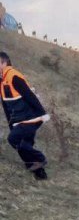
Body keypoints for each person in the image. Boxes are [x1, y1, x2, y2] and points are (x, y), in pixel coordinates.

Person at [0, 51, 50, 180]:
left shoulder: (13, 76)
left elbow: (30, 95)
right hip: (19, 118)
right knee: (25, 144)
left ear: (4, 63)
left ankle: (40, 158)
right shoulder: (2, 81)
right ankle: (40, 174)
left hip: (31, 116)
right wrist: (11, 123)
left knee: (13, 139)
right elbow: (6, 105)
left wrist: (42, 113)